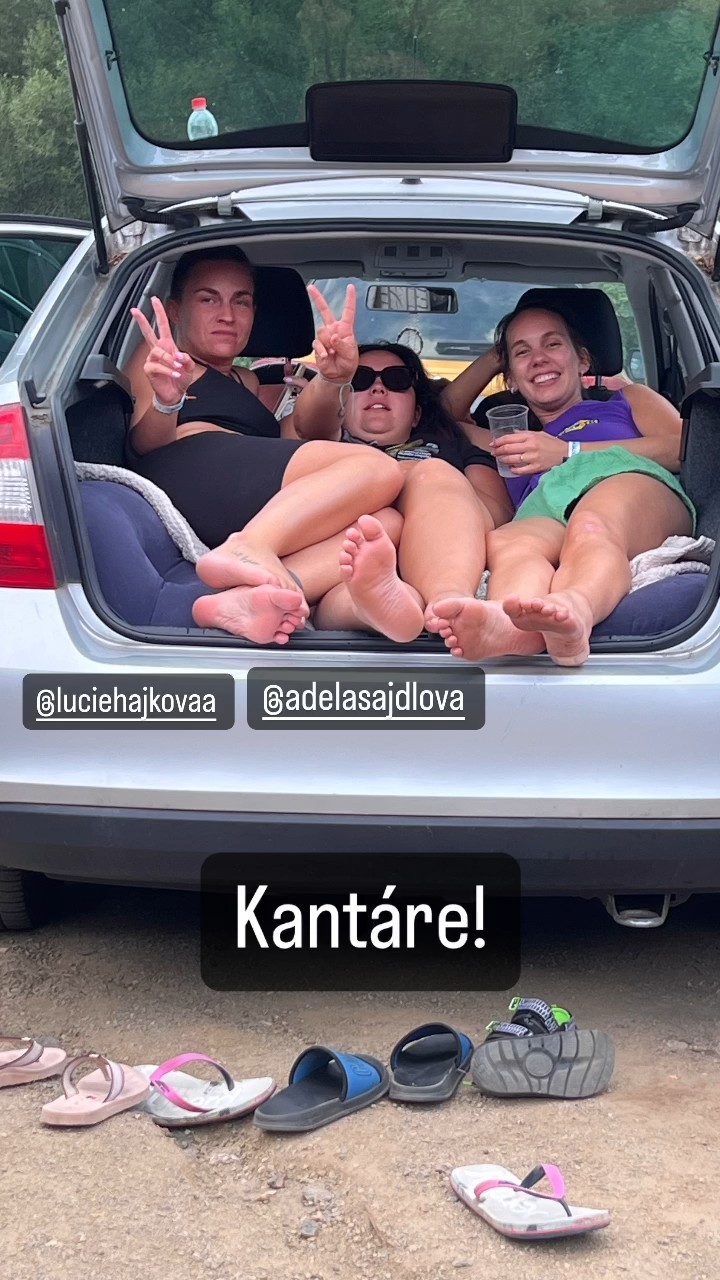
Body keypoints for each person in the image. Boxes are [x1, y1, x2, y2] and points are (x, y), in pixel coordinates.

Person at [124, 248, 404, 644]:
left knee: (384, 525)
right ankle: (249, 546)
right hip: (186, 472)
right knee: (378, 468)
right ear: (174, 310)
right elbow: (142, 447)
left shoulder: (247, 380)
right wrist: (167, 402)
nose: (227, 315)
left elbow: (298, 439)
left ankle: (268, 595)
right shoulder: (160, 360)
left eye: (241, 302)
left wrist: (332, 380)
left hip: (233, 489)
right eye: (208, 299)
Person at [425, 301, 695, 666]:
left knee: (591, 525)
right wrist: (497, 356)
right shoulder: (511, 443)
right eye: (523, 353)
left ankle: (576, 608)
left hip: (630, 486)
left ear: (582, 360)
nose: (539, 359)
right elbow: (440, 416)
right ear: (511, 379)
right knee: (509, 542)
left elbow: (685, 448)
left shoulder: (627, 400)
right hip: (549, 509)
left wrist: (568, 451)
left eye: (552, 344)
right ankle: (509, 624)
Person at [279, 293, 514, 642]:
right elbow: (304, 427)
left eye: (397, 379)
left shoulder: (450, 448)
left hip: (443, 551)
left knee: (433, 474)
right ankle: (384, 607)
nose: (378, 387)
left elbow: (497, 515)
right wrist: (330, 381)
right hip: (343, 574)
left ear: (417, 413)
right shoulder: (325, 445)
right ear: (342, 404)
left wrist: (415, 495)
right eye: (360, 379)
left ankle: (444, 600)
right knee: (349, 593)